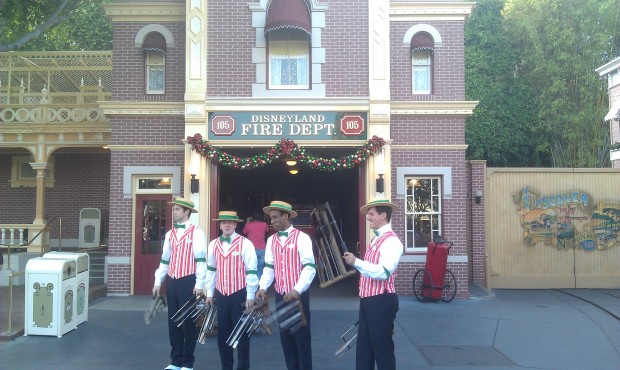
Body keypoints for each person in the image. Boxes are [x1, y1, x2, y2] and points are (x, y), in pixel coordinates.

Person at [343, 198, 403, 370]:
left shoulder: (392, 241)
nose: (368, 217)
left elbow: (384, 272)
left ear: (383, 215)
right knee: (365, 348)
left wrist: (356, 262)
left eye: (371, 214)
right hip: (369, 300)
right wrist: (357, 262)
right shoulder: (376, 239)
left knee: (382, 350)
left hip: (382, 300)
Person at [256, 200, 316, 370]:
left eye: (275, 217)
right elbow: (269, 267)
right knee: (286, 337)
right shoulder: (271, 240)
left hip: (298, 296)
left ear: (286, 216)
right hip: (281, 294)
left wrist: (297, 289)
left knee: (302, 338)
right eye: (270, 218)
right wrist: (263, 286)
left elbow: (310, 267)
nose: (272, 221)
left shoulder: (302, 238)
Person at [152, 197, 207, 370]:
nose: (173, 211)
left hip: (188, 281)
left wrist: (200, 283)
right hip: (173, 281)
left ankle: (188, 363)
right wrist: (157, 281)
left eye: (177, 209)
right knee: (173, 321)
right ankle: (175, 361)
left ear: (186, 212)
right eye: (173, 209)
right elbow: (164, 260)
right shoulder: (170, 234)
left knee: (188, 322)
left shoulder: (196, 233)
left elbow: (201, 261)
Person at [205, 210, 258, 370]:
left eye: (229, 222)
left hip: (240, 294)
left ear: (236, 224)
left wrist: (250, 295)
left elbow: (251, 270)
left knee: (242, 333)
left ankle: (243, 367)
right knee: (223, 335)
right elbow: (211, 270)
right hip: (221, 295)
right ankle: (226, 366)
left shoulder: (245, 243)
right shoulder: (213, 244)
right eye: (223, 222)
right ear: (219, 225)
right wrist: (209, 292)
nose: (226, 225)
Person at [242, 211, 269, 279]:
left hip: (251, 250)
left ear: (252, 218)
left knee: (251, 268)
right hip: (262, 249)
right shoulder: (264, 224)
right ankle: (259, 284)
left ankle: (251, 282)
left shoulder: (248, 225)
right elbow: (267, 230)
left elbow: (244, 232)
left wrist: (247, 222)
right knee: (260, 268)